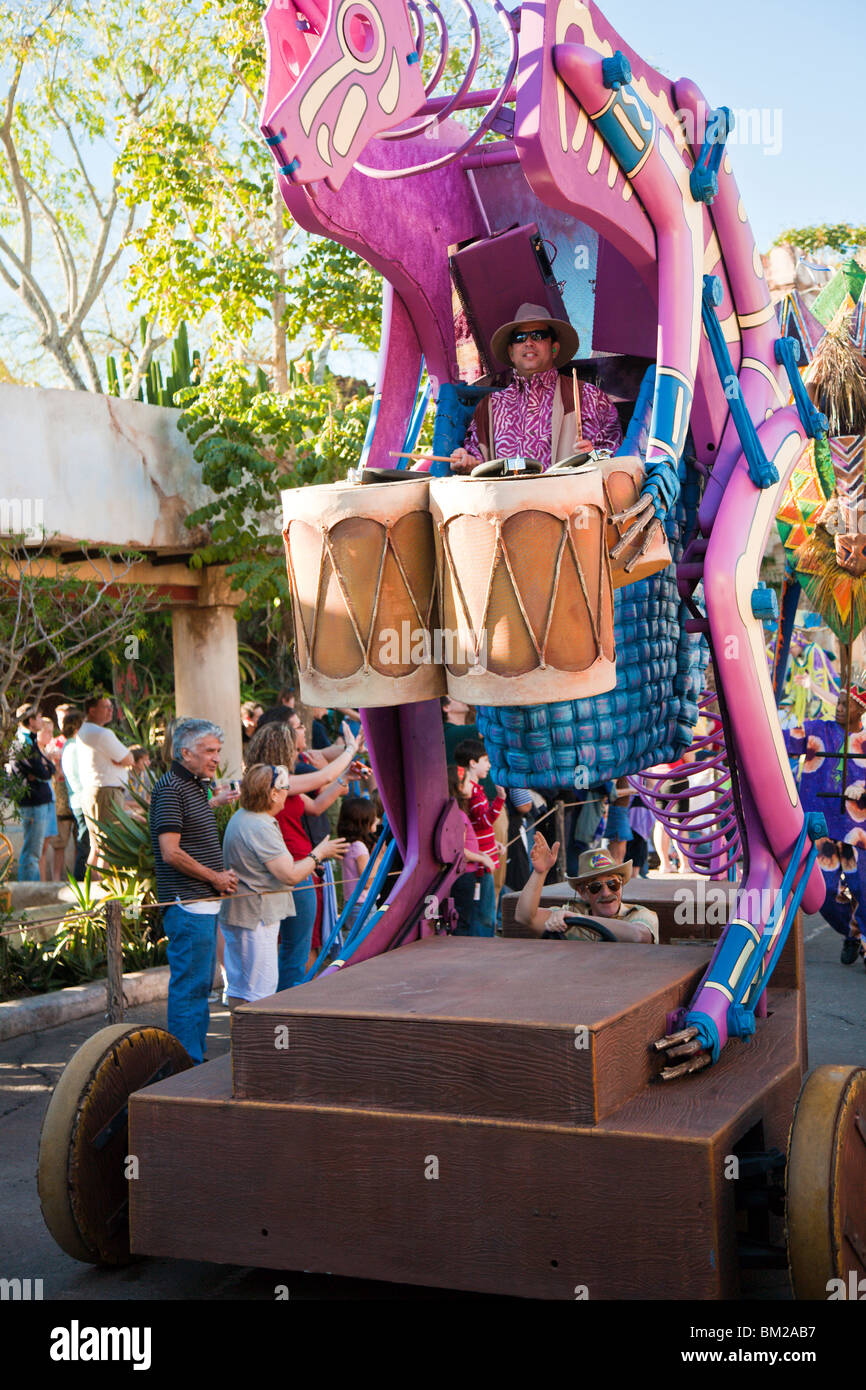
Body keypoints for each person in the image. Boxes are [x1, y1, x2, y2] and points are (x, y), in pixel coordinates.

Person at [219, 764, 347, 1009]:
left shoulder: (245, 818)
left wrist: (308, 863)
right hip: (255, 918)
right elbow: (288, 875)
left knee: (242, 987)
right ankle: (258, 1044)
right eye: (285, 788)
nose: (288, 793)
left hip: (246, 914)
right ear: (273, 794)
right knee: (259, 992)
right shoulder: (259, 825)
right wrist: (319, 854)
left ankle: (244, 1042)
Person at [149, 718, 240, 1063]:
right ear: (185, 752)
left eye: (217, 751)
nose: (216, 758)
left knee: (199, 987)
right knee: (191, 989)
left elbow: (185, 825)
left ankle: (191, 1061)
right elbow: (170, 851)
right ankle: (185, 1067)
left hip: (199, 904)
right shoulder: (172, 787)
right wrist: (215, 878)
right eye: (209, 751)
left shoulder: (193, 786)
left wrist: (213, 803)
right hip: (188, 904)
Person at [245, 718, 357, 987]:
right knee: (294, 950)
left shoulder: (280, 781)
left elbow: (317, 805)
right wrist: (350, 748)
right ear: (281, 749)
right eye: (293, 749)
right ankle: (288, 1008)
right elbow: (324, 776)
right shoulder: (275, 778)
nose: (298, 753)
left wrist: (346, 777)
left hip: (298, 865)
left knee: (294, 947)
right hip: (292, 868)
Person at [449, 302, 622, 474]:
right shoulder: (489, 407)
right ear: (511, 352)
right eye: (520, 338)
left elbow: (615, 454)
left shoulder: (588, 396)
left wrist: (593, 455)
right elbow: (476, 460)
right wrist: (466, 461)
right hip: (505, 498)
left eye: (538, 335)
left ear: (554, 348)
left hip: (568, 498)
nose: (529, 342)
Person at [784, 682, 866, 967]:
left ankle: (863, 938)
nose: (839, 708)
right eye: (839, 702)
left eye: (846, 704)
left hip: (858, 828)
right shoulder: (815, 730)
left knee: (863, 887)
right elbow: (778, 740)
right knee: (824, 892)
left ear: (861, 709)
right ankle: (852, 932)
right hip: (822, 825)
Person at [516, 834, 658, 942]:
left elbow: (639, 936)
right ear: (582, 893)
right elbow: (525, 918)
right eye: (595, 887)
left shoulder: (639, 915)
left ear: (621, 885)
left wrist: (580, 920)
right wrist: (540, 873)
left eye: (612, 884)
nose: (606, 892)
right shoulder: (570, 913)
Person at [76, 693, 134, 872]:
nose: (111, 711)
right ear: (92, 710)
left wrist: (122, 759)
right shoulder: (102, 733)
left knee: (98, 845)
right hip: (106, 792)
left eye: (111, 707)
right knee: (109, 846)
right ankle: (105, 891)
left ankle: (93, 891)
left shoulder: (85, 730)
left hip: (94, 791)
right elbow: (129, 758)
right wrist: (122, 759)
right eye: (106, 707)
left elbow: (125, 759)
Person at [453, 738, 505, 936]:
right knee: (483, 910)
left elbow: (479, 828)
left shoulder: (475, 790)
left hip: (484, 855)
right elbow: (485, 820)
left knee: (482, 907)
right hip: (481, 862)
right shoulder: (474, 791)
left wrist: (494, 843)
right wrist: (500, 799)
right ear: (473, 763)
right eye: (485, 760)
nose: (489, 765)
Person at [446, 766, 497, 935]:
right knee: (463, 920)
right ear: (459, 787)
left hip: (467, 874)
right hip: (464, 875)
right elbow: (459, 851)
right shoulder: (458, 815)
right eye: (468, 782)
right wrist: (483, 859)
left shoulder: (459, 812)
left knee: (466, 917)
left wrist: (481, 854)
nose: (471, 786)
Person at [8, 704, 54, 881]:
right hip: (32, 801)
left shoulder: (32, 741)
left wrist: (44, 769)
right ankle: (28, 892)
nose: (42, 720)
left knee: (35, 849)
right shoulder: (22, 742)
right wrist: (42, 770)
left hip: (39, 800)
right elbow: (40, 771)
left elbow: (48, 768)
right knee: (32, 850)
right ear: (31, 720)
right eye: (39, 717)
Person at [58, 708, 90, 879]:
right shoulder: (74, 748)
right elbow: (81, 777)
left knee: (85, 843)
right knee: (85, 845)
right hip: (81, 800)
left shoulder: (69, 746)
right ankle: (80, 882)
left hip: (78, 800)